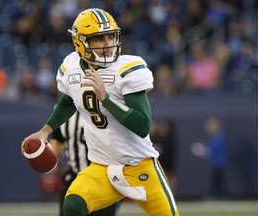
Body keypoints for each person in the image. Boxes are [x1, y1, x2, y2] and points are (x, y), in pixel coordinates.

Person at [22, 8, 179, 216]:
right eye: (99, 39)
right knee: (73, 204)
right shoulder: (71, 68)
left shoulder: (128, 69)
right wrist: (45, 131)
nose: (107, 45)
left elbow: (142, 126)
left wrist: (106, 99)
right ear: (80, 42)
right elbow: (68, 101)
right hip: (102, 167)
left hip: (140, 166)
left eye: (110, 37)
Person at [50, 111, 120, 216]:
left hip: (103, 178)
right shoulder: (64, 110)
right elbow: (57, 143)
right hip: (76, 177)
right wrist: (47, 158)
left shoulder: (106, 106)